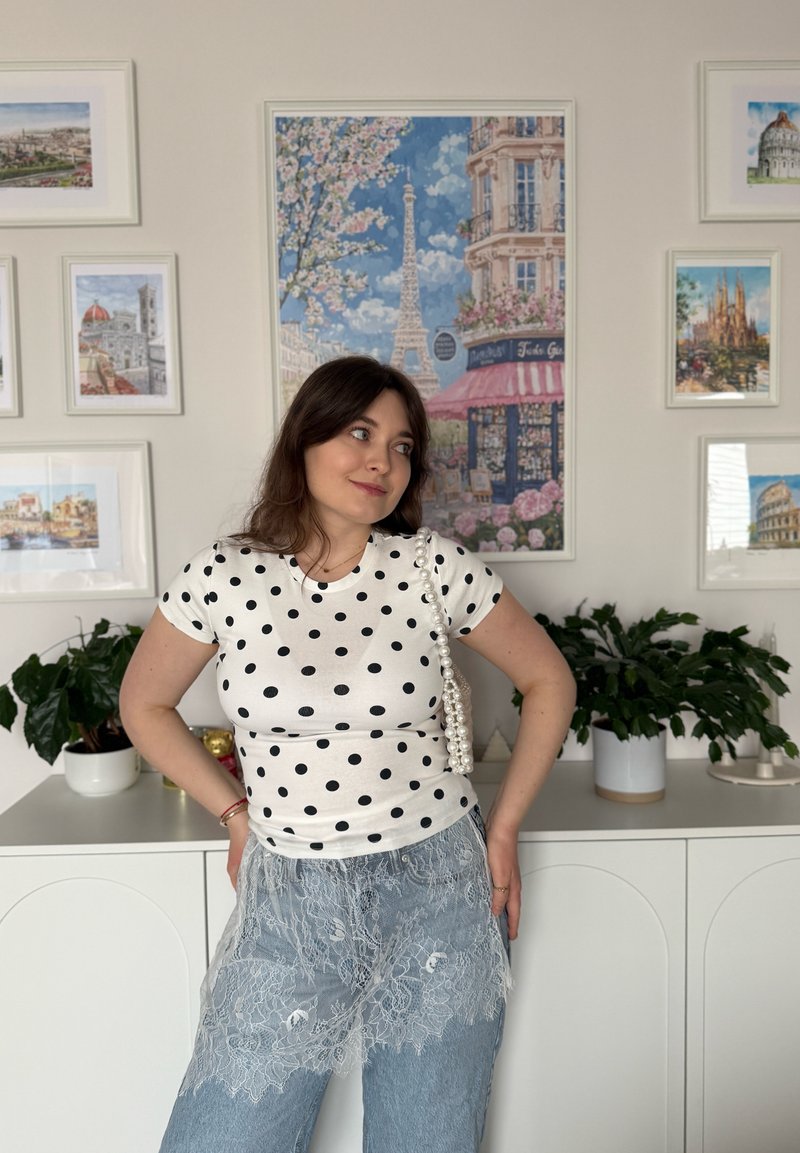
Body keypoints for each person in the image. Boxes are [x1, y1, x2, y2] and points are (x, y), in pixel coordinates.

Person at [120, 355, 575, 1153]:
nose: (382, 460)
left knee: (427, 1140)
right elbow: (143, 706)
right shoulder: (223, 574)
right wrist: (233, 812)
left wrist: (500, 831)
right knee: (221, 1137)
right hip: (291, 896)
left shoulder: (431, 567)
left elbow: (549, 680)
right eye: (361, 432)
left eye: (403, 446)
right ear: (305, 438)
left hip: (439, 885)